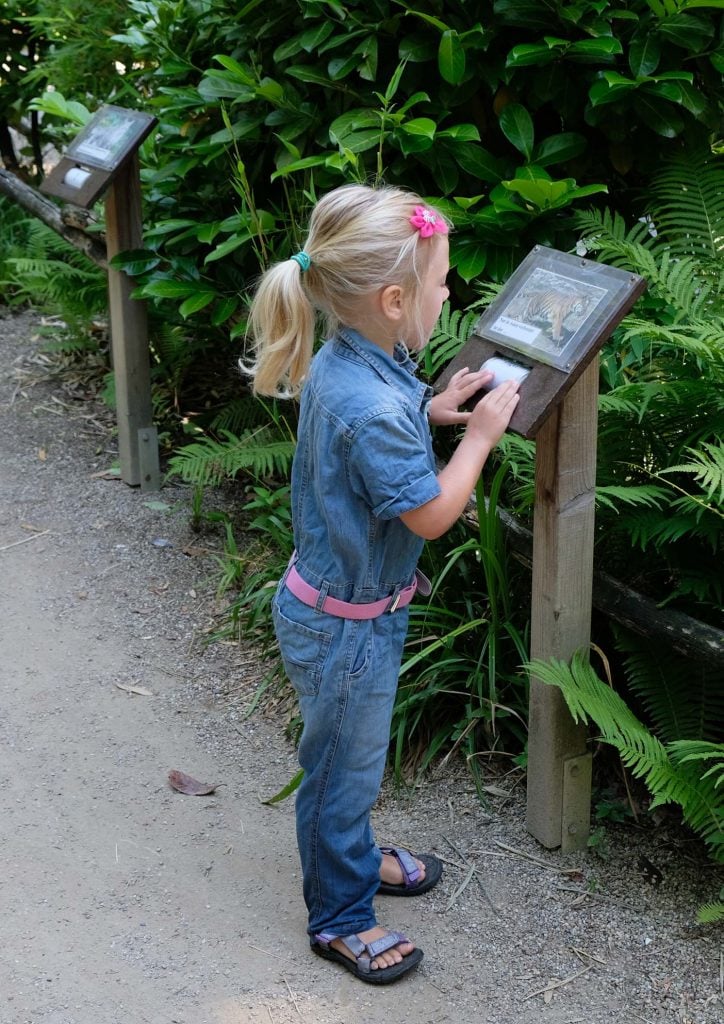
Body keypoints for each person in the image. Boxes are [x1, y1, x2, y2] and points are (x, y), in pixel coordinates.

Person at [247, 183, 519, 984]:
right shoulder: (367, 400)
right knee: (342, 774)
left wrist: (437, 410)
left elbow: (389, 417)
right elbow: (430, 514)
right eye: (442, 282)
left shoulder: (356, 360)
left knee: (349, 760)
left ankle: (355, 859)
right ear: (396, 299)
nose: (449, 292)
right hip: (347, 633)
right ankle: (340, 917)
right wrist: (481, 439)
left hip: (340, 616)